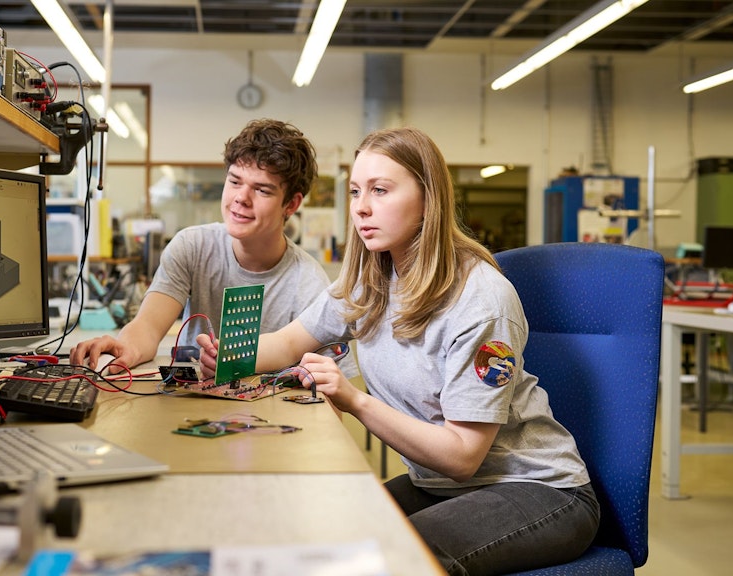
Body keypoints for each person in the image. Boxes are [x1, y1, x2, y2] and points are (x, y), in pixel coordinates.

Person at [197, 127, 600, 575]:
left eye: (381, 190)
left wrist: (353, 400)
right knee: (315, 538)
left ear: (428, 200)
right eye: (355, 191)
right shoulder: (369, 282)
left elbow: (462, 455)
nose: (361, 207)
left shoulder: (481, 299)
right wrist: (226, 356)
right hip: (439, 486)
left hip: (539, 491)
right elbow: (291, 340)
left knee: (390, 560)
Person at [70, 118, 330, 371]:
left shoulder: (308, 283)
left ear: (292, 204)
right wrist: (124, 347)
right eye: (235, 181)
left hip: (272, 412)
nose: (241, 198)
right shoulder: (192, 246)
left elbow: (326, 389)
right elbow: (147, 327)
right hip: (187, 407)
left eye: (262, 190)